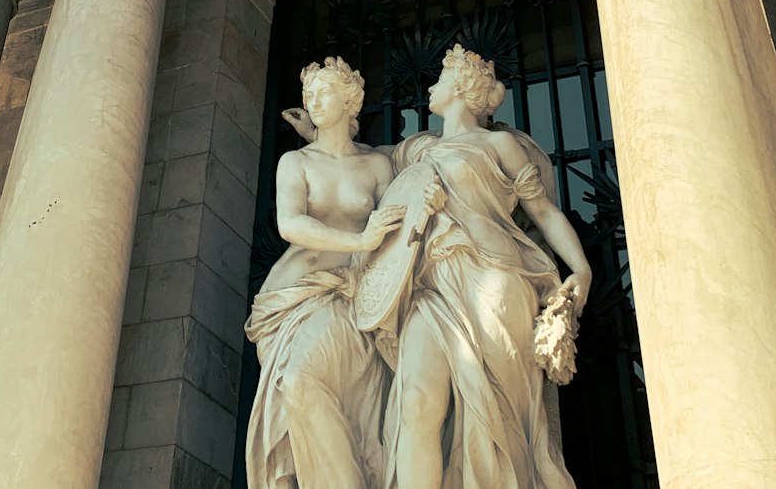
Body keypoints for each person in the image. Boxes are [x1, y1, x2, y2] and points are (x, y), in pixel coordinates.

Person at [383, 45, 590, 489]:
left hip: (495, 280)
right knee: (416, 403)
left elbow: (545, 213)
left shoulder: (498, 144)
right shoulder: (414, 151)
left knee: (497, 418)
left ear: (460, 86)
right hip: (432, 286)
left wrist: (581, 269)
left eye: (439, 78)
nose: (430, 87)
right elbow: (361, 167)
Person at [245, 57, 404, 489]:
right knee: (296, 384)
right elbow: (291, 225)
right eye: (308, 95)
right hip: (293, 297)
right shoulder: (295, 163)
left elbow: (398, 234)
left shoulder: (375, 166)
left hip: (352, 297)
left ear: (351, 100)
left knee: (325, 393)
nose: (313, 101)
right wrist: (360, 241)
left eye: (324, 92)